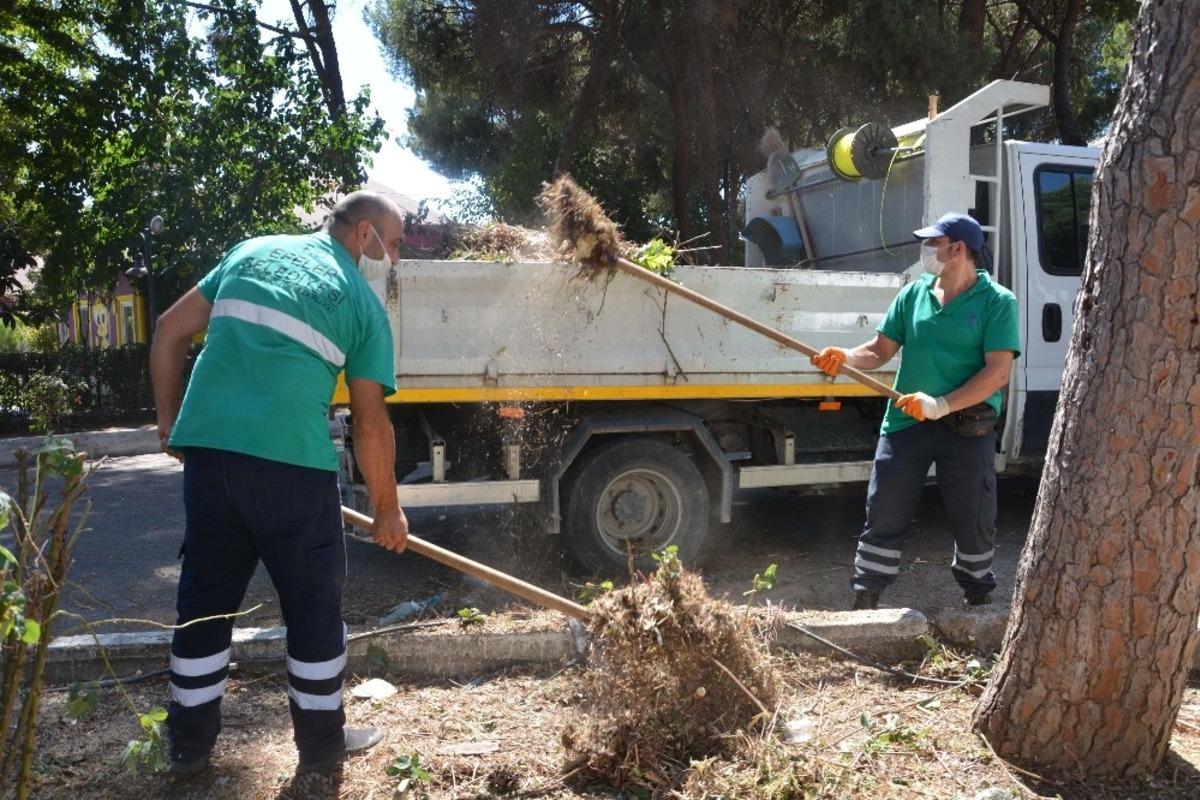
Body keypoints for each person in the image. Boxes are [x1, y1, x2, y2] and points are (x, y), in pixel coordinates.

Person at [150, 191, 410, 775]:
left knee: (204, 607)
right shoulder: (362, 306)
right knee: (314, 611)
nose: (394, 261)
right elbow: (371, 424)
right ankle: (320, 751)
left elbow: (169, 330)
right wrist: (388, 510)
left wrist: (169, 425)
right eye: (392, 246)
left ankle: (188, 749)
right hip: (293, 468)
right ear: (364, 235)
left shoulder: (251, 252)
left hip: (211, 460)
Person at [810, 212, 1020, 610]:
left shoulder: (997, 302)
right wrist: (846, 357)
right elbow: (878, 351)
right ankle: (866, 594)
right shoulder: (914, 294)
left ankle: (977, 597)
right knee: (884, 506)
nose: (926, 250)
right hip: (907, 419)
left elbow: (998, 373)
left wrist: (940, 405)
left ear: (957, 249)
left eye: (933, 243)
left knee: (973, 514)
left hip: (966, 425)